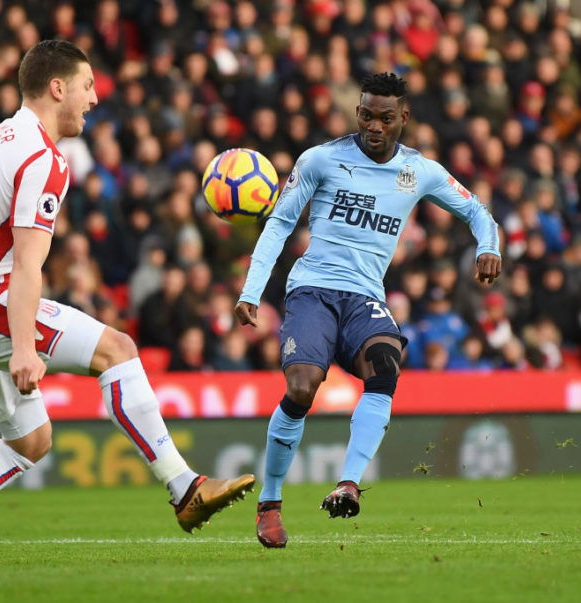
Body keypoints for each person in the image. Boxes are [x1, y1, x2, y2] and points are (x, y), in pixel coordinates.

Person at [0, 40, 254, 567]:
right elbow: (28, 265)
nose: (95, 99)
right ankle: (185, 488)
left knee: (30, 440)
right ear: (58, 88)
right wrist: (25, 346)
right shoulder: (42, 158)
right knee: (117, 349)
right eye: (88, 85)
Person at [234, 73, 501, 549]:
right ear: (357, 112)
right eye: (365, 115)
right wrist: (251, 291)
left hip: (365, 298)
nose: (373, 126)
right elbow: (278, 224)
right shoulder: (320, 160)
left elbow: (478, 210)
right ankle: (270, 503)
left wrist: (489, 246)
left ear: (404, 118)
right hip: (313, 291)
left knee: (385, 366)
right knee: (301, 388)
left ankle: (349, 483)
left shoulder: (421, 171)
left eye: (385, 117)